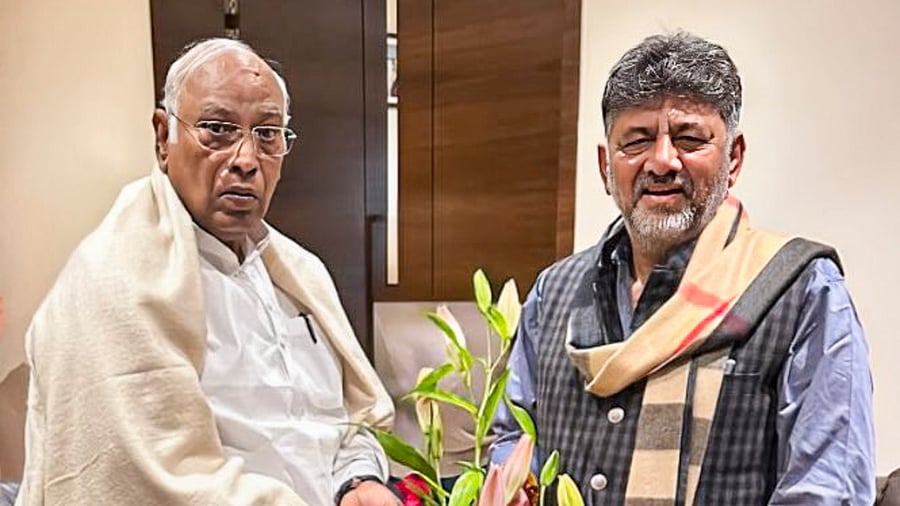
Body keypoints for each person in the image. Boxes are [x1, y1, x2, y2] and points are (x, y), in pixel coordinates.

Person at [491, 32, 875, 505]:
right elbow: (512, 442)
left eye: (690, 139)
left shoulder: (802, 292)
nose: (662, 161)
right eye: (636, 141)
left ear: (734, 158)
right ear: (605, 166)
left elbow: (826, 491)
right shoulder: (553, 293)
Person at [15, 38, 400, 506]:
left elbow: (350, 419)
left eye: (267, 134)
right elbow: (146, 478)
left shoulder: (301, 273)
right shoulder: (112, 282)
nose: (246, 160)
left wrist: (358, 480)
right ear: (164, 138)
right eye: (218, 130)